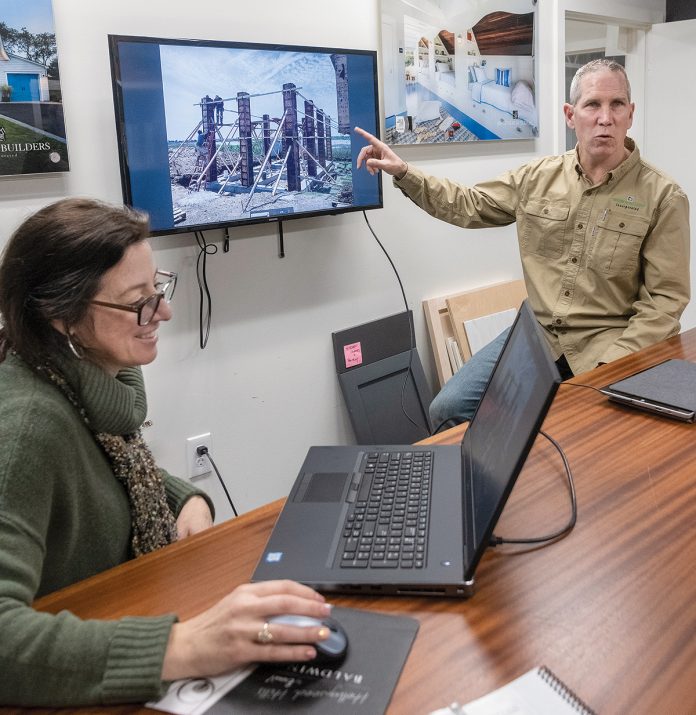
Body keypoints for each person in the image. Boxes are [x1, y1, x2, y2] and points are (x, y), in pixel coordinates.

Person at [0, 198, 333, 706]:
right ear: (60, 316)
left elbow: (104, 472)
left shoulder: (89, 385)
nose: (165, 311)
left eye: (158, 288)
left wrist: (182, 499)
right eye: (138, 301)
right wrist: (182, 647)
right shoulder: (26, 427)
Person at [355, 59, 690, 429]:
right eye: (592, 104)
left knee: (577, 435)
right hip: (540, 336)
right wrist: (405, 172)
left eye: (617, 105)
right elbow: (468, 204)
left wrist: (611, 364)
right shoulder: (536, 177)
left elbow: (665, 301)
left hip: (608, 341)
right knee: (447, 409)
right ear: (570, 114)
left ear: (631, 114)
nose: (605, 118)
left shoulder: (663, 196)